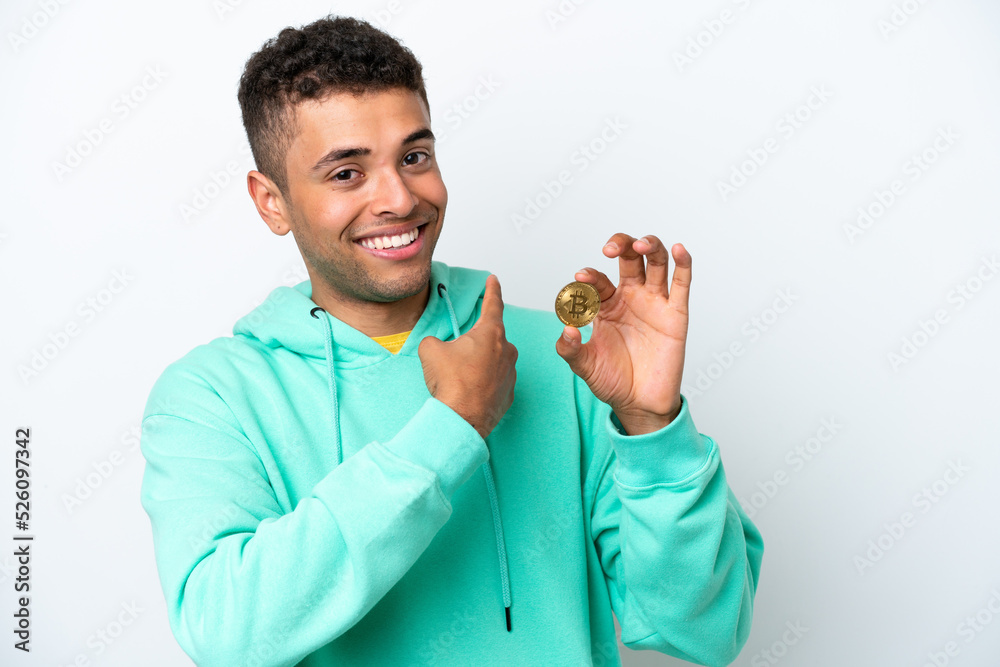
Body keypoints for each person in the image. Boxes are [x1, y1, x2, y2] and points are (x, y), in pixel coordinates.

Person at [138, 14, 764, 667]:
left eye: (414, 157)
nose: (399, 198)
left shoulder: (563, 353)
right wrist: (451, 426)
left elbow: (705, 630)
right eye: (347, 173)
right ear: (272, 201)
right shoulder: (210, 395)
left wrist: (651, 425)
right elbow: (226, 633)